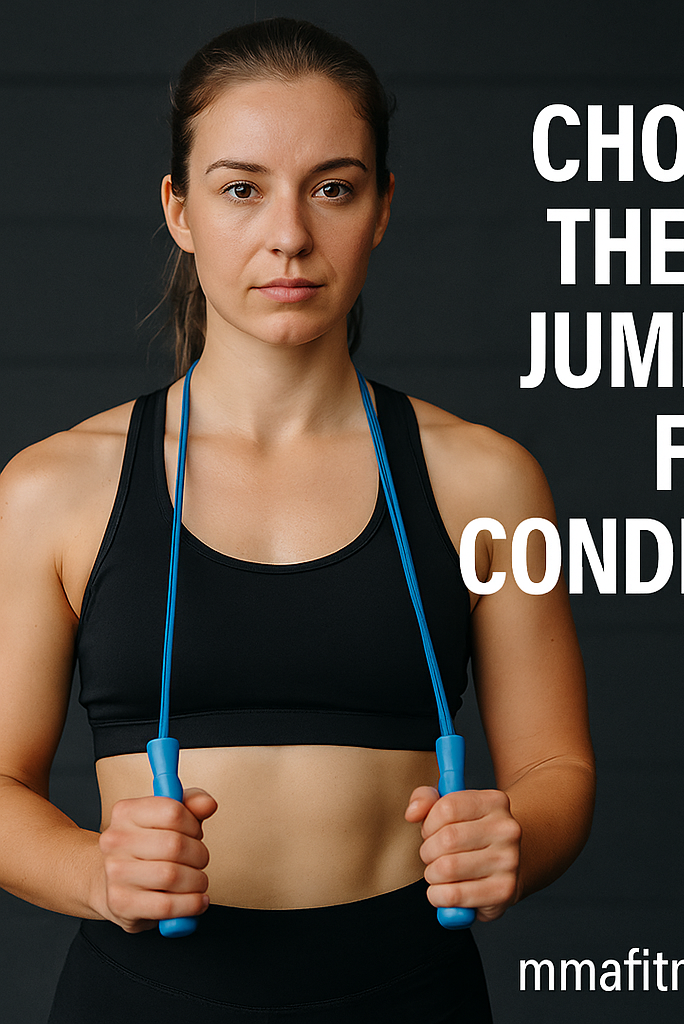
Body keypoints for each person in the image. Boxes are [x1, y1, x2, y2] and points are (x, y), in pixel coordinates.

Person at [0, 18, 594, 1023]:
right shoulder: (52, 488)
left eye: (333, 186)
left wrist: (518, 838)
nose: (289, 234)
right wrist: (95, 872)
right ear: (179, 211)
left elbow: (555, 766)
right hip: (144, 996)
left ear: (381, 208)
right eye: (241, 188)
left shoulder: (489, 481)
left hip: (410, 994)